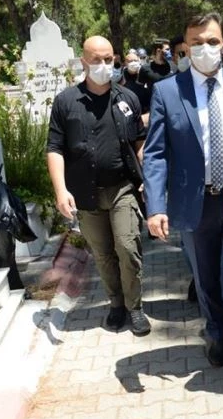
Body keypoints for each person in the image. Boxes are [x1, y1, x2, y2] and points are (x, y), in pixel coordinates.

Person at [143, 13, 223, 399]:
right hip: (195, 204)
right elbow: (156, 153)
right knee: (207, 280)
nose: (205, 48)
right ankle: (216, 332)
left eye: (212, 41)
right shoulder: (167, 91)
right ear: (185, 47)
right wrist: (155, 205)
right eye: (196, 42)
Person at [46, 35, 150, 336]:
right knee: (103, 255)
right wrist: (60, 190)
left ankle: (134, 307)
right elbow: (54, 148)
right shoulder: (66, 102)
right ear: (84, 61)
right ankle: (116, 304)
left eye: (108, 59)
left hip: (122, 189)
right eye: (96, 60)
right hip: (86, 193)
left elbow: (140, 142)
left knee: (127, 248)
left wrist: (149, 179)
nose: (104, 65)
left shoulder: (127, 98)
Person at [121, 51, 151, 125]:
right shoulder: (120, 77)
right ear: (125, 63)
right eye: (130, 61)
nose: (133, 63)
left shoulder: (145, 75)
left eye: (135, 60)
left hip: (143, 115)